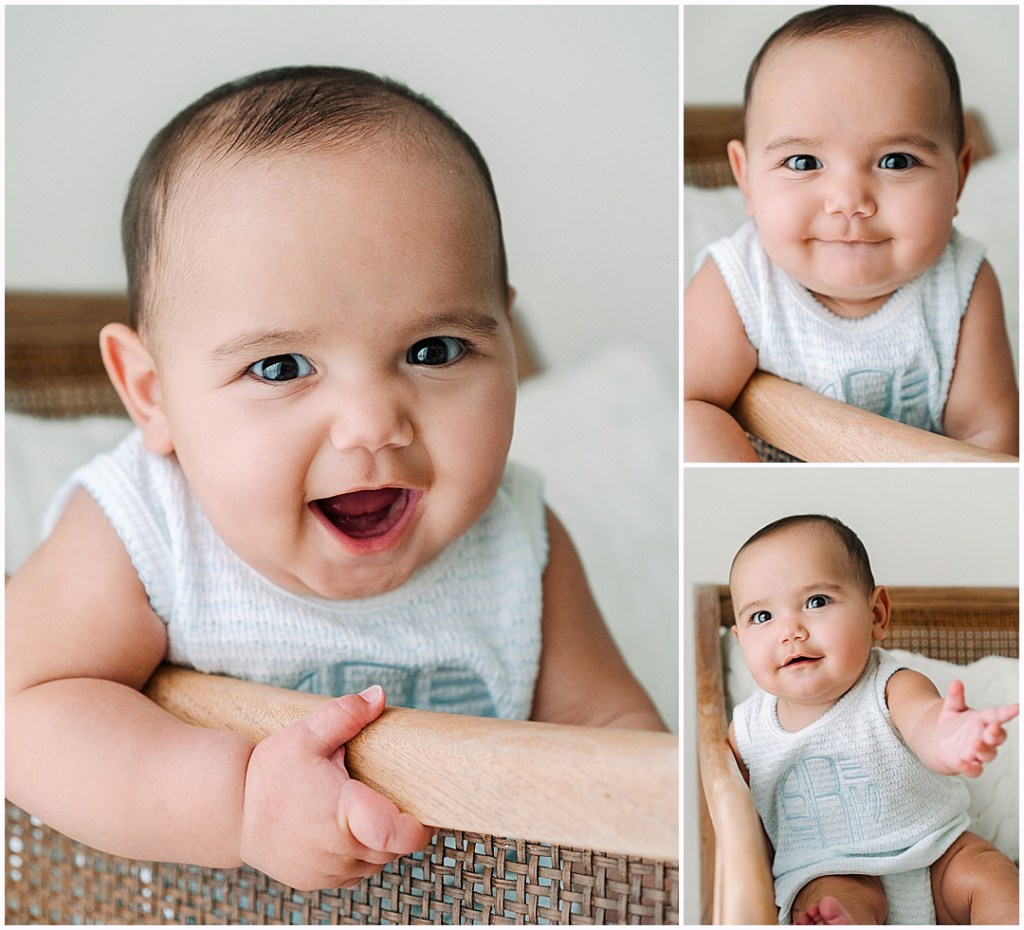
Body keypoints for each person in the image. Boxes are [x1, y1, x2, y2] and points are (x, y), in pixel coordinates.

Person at [5, 66, 665, 892]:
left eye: (434, 351)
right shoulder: (145, 530)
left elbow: (612, 732)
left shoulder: (516, 540)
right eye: (281, 366)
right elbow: (25, 707)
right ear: (151, 393)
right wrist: (237, 803)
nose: (372, 425)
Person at [684, 5, 1018, 462]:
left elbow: (987, 439)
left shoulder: (963, 284)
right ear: (746, 181)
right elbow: (690, 405)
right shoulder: (739, 283)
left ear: (959, 178)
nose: (849, 200)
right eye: (803, 163)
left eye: (897, 160)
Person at [726, 514, 1019, 924]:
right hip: (831, 869)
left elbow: (923, 720)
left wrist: (948, 737)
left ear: (877, 614)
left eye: (817, 602)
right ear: (740, 641)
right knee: (833, 899)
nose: (789, 632)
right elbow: (723, 798)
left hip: (938, 850)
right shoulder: (748, 729)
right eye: (762, 617)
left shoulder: (890, 686)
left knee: (992, 871)